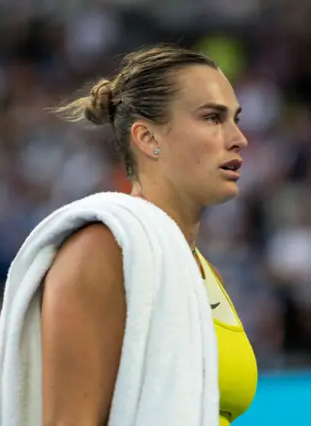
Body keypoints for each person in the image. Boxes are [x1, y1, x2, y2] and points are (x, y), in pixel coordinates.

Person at [42, 45, 257, 425]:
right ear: (146, 138)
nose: (238, 138)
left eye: (235, 119)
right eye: (212, 118)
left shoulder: (207, 274)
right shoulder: (101, 251)